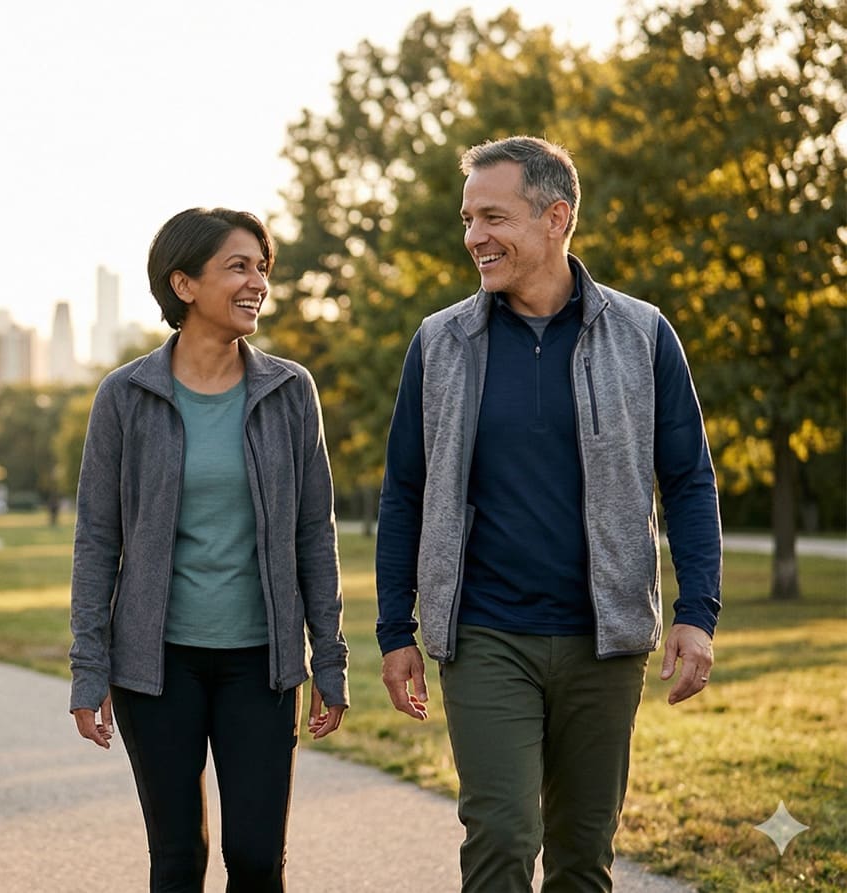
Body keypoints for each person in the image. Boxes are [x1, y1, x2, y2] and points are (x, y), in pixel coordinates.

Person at [375, 136, 722, 891]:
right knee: (501, 836)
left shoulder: (643, 333)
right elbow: (404, 488)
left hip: (605, 642)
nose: (473, 237)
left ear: (555, 217)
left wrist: (698, 610)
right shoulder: (439, 343)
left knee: (582, 854)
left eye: (492, 216)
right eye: (467, 219)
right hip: (486, 634)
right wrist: (394, 630)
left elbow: (689, 479)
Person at [69, 207, 349, 892]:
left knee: (257, 859)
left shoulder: (289, 392)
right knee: (177, 858)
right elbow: (97, 539)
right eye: (238, 266)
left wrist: (331, 658)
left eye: (262, 267)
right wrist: (88, 666)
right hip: (156, 666)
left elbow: (315, 531)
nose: (257, 282)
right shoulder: (126, 396)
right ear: (184, 283)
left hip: (262, 664)